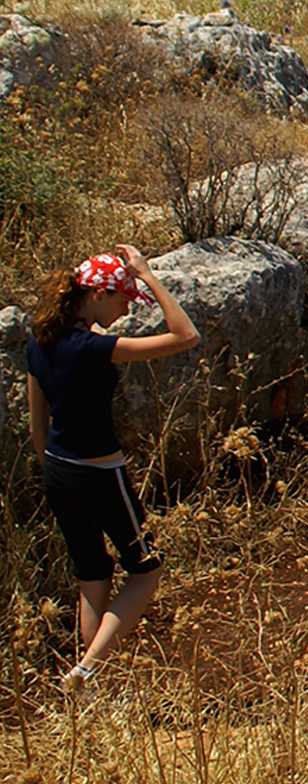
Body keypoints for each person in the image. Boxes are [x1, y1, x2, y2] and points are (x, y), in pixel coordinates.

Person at [25, 245, 201, 698]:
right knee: (146, 570)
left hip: (58, 473)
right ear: (99, 294)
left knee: (93, 575)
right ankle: (87, 669)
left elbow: (36, 422)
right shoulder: (93, 349)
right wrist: (148, 275)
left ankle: (89, 686)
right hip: (100, 472)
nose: (125, 310)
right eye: (123, 299)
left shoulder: (39, 342)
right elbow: (186, 336)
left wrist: (54, 470)